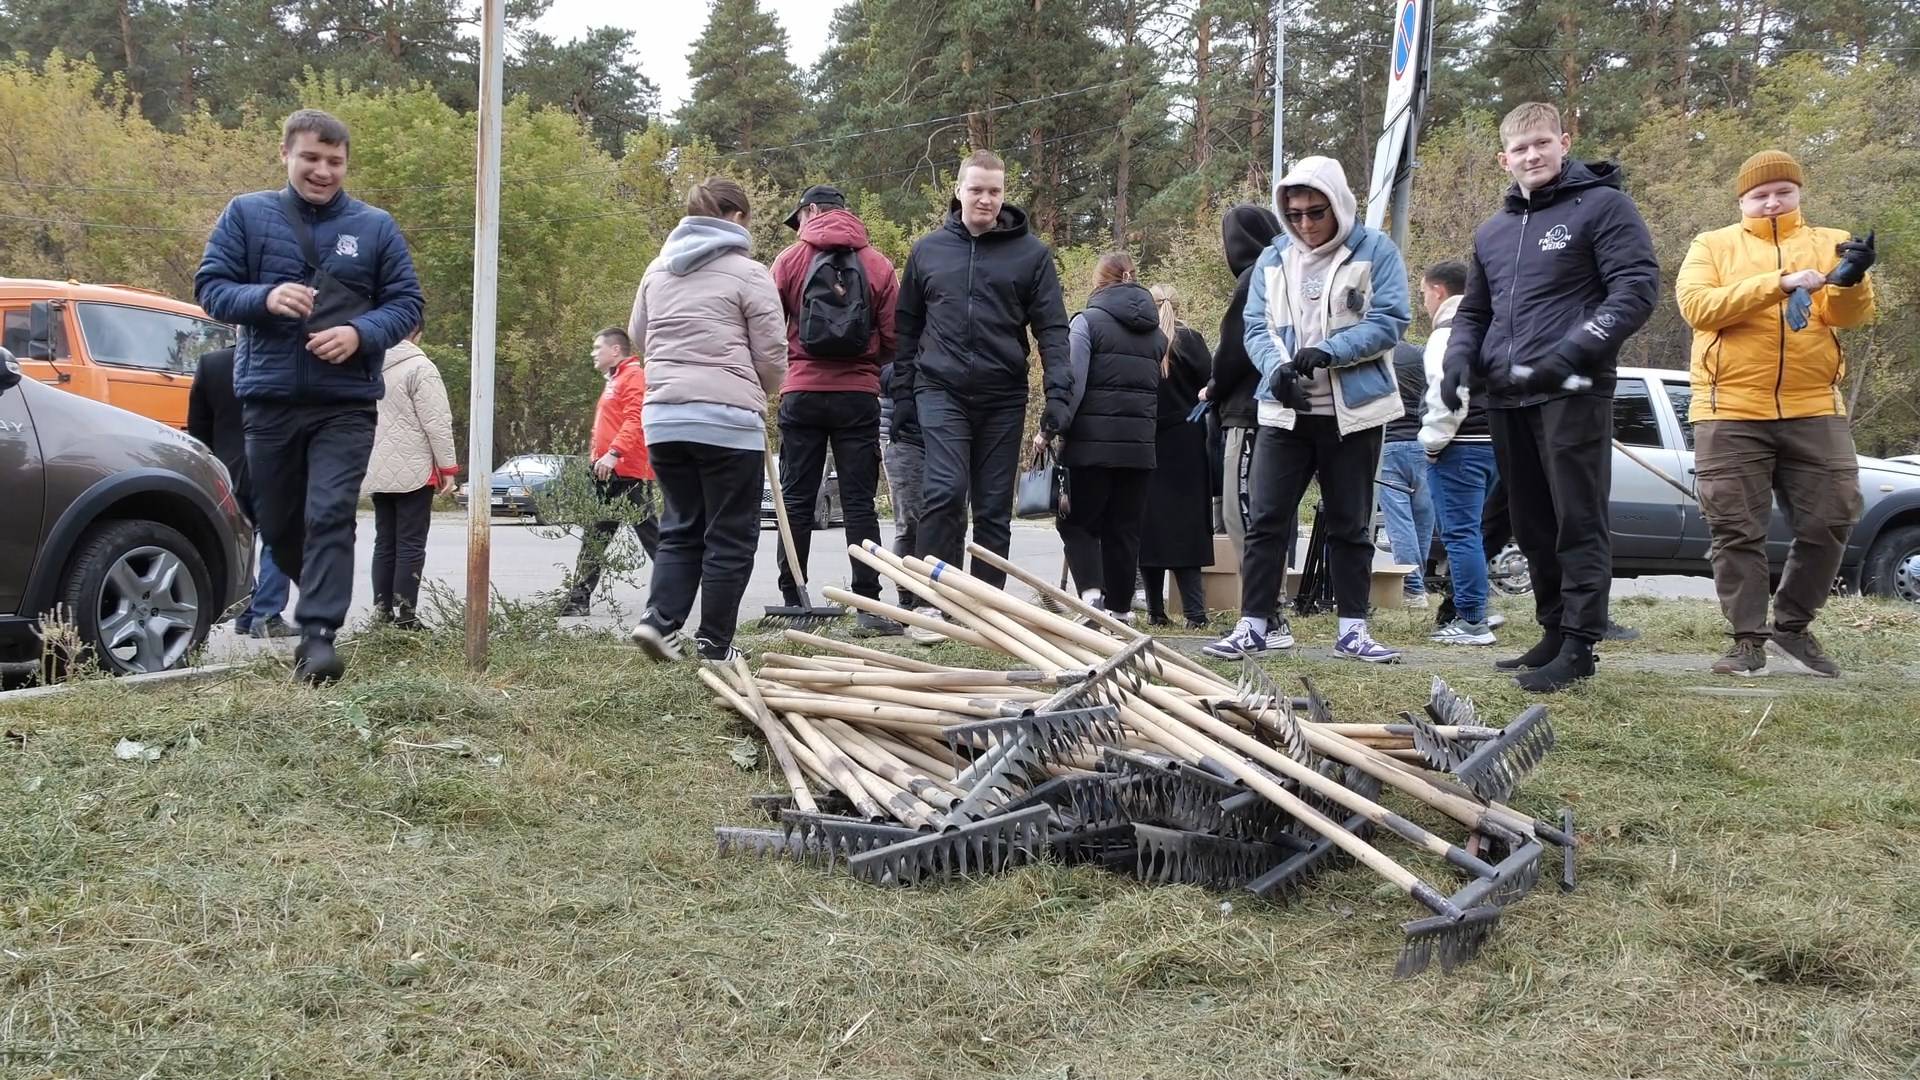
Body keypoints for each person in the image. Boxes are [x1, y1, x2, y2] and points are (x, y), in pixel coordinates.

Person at [194, 108, 424, 684]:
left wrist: (360, 334)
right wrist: (265, 299)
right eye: (311, 159)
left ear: (346, 163)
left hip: (345, 401)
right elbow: (211, 289)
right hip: (268, 395)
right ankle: (317, 594)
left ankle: (318, 634)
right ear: (286, 155)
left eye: (335, 161)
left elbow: (407, 304)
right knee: (276, 518)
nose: (323, 171)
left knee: (330, 513)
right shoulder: (246, 215)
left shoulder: (375, 226)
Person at [1439, 101, 1658, 692]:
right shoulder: (1494, 229)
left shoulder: (1605, 206)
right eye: (1519, 148)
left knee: (1576, 518)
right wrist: (1460, 360)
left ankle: (1583, 643)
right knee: (1531, 522)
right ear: (1503, 158)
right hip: (1508, 397)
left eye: (1541, 143)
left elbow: (1636, 289)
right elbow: (1475, 311)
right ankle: (1554, 630)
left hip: (1574, 390)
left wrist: (1575, 348)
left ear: (1565, 141)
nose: (1531, 156)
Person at [1202, 156, 1411, 663]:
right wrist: (1276, 371)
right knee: (1267, 520)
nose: (1306, 224)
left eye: (1316, 212)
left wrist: (1331, 352)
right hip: (1284, 412)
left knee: (1349, 522)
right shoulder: (1273, 259)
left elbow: (1390, 320)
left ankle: (1353, 630)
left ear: (1338, 204)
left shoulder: (1376, 251)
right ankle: (1255, 626)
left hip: (1352, 413)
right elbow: (1256, 328)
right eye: (1293, 214)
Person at [1676, 150, 1876, 678]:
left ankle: (1791, 626)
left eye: (1782, 191)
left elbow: (1851, 318)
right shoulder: (1713, 245)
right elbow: (1698, 306)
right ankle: (1747, 641)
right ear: (1741, 199)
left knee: (1832, 518)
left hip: (1814, 406)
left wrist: (1852, 280)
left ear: (1798, 194)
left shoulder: (1830, 240)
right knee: (1735, 529)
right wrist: (1779, 283)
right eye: (1759, 194)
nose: (1771, 201)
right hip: (1729, 408)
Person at [893, 149, 1071, 626]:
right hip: (939, 389)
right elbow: (906, 329)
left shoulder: (1032, 255)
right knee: (946, 491)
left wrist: (1058, 394)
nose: (985, 199)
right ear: (959, 191)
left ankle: (983, 609)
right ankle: (933, 600)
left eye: (994, 191)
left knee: (992, 506)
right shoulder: (927, 251)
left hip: (1002, 394)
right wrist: (902, 394)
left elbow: (1052, 329)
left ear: (1004, 194)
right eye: (976, 190)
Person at [625, 177, 787, 664]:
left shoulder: (657, 269)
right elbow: (773, 351)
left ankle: (659, 621)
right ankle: (715, 644)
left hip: (664, 418)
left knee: (680, 525)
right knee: (731, 532)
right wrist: (761, 387)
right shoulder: (748, 271)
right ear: (737, 218)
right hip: (726, 419)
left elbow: (638, 336)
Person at [768, 184, 902, 634]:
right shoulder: (878, 264)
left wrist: (793, 363)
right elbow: (895, 337)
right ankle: (868, 605)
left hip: (801, 393)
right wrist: (864, 364)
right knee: (859, 500)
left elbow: (768, 329)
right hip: (858, 396)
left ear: (810, 212)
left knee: (796, 498)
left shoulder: (790, 260)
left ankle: (794, 600)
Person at [1042, 253, 1165, 619]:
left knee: (1076, 523)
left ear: (1099, 281)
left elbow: (1073, 384)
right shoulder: (1156, 334)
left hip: (1089, 447)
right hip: (1140, 450)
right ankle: (1121, 611)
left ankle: (1092, 597)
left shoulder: (1087, 323)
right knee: (1124, 530)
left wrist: (1051, 427)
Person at [1417, 259, 1500, 646]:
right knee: (1477, 533)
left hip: (1460, 445)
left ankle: (1470, 619)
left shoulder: (1446, 335)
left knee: (1460, 535)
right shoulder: (1491, 327)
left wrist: (1432, 445)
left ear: (1438, 291)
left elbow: (1448, 395)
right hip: (1495, 444)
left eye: (1423, 295)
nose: (1424, 305)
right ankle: (1478, 606)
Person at [186, 346, 294, 639]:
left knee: (239, 543)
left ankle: (246, 612)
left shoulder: (212, 362)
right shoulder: (288, 359)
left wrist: (213, 461)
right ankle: (267, 615)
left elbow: (198, 423)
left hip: (226, 467)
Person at [362, 321, 458, 629]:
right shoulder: (421, 367)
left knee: (385, 542)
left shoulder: (369, 365)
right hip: (414, 469)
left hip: (377, 467)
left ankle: (382, 612)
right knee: (411, 544)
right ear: (417, 333)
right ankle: (406, 617)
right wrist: (448, 469)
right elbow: (437, 423)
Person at [1205, 204, 1285, 560]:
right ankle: (1269, 598)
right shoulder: (1288, 274)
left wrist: (1213, 388)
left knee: (1241, 511)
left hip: (1247, 409)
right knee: (1271, 508)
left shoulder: (1254, 278)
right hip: (1281, 407)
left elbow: (1234, 348)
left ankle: (1261, 604)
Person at [563, 327, 661, 617]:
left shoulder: (633, 377)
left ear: (615, 350)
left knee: (652, 537)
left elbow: (635, 419)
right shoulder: (615, 379)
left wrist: (614, 453)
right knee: (595, 537)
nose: (594, 353)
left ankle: (674, 594)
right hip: (608, 473)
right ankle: (577, 600)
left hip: (629, 473)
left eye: (597, 348)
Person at [1139, 284, 1215, 628]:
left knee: (1148, 527)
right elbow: (1213, 385)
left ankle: (1156, 611)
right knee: (1188, 527)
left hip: (1148, 440)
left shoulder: (1140, 341)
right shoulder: (1193, 340)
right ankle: (1195, 613)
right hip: (1187, 439)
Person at [1378, 334, 1434, 608]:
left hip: (1389, 445)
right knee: (1423, 520)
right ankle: (1417, 584)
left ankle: (1412, 588)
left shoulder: (1378, 356)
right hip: (1423, 443)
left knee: (1399, 522)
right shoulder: (1420, 354)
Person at [880, 360, 925, 615]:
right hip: (903, 446)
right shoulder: (892, 372)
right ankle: (906, 594)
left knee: (950, 519)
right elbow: (884, 421)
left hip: (942, 444)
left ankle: (944, 595)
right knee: (910, 521)